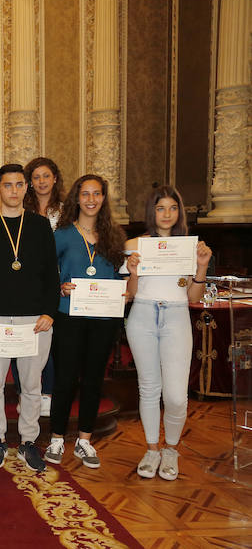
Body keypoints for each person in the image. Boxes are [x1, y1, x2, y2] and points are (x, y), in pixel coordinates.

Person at [0, 164, 58, 472]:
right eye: (8, 185)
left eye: (20, 185)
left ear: (25, 189)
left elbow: (50, 275)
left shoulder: (40, 226)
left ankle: (28, 442)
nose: (14, 191)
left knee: (31, 385)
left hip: (35, 320)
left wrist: (49, 312)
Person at [125, 186, 212, 480]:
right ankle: (152, 449)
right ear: (152, 212)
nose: (166, 214)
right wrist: (133, 273)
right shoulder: (135, 244)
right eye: (160, 208)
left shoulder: (190, 247)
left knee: (175, 395)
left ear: (179, 212)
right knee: (149, 387)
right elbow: (128, 294)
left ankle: (171, 449)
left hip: (176, 316)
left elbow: (193, 295)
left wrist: (201, 268)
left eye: (172, 208)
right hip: (143, 315)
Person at [44, 175, 126, 469]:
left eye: (97, 194)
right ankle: (56, 438)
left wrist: (127, 285)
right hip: (69, 316)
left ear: (104, 198)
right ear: (76, 198)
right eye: (85, 194)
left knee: (93, 379)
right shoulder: (62, 234)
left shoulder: (114, 235)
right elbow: (46, 274)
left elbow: (121, 278)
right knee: (65, 378)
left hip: (103, 319)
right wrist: (59, 287)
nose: (91, 200)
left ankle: (85, 440)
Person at [14, 157, 66, 416]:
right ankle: (25, 392)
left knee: (50, 341)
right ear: (29, 183)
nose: (42, 181)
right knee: (24, 340)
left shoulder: (67, 212)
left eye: (46, 176)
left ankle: (48, 393)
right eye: (36, 177)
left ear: (55, 179)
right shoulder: (21, 209)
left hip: (58, 283)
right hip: (25, 283)